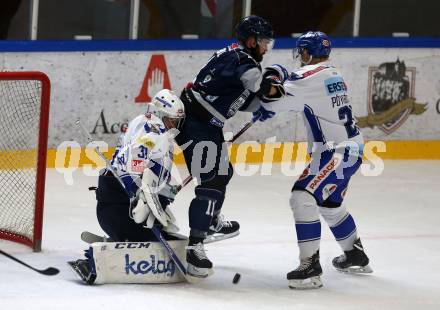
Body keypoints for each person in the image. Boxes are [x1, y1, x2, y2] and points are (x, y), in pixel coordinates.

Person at [253, 31, 372, 289]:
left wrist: (275, 72)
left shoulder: (308, 77)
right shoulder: (332, 74)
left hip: (336, 152)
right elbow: (301, 101)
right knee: (329, 204)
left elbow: (271, 99)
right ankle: (354, 254)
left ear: (306, 52)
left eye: (301, 52)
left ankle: (310, 267)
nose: (300, 57)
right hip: (349, 149)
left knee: (302, 197)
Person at [175, 15, 285, 278]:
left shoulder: (235, 55)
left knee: (223, 173)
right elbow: (259, 85)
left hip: (204, 121)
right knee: (212, 179)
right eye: (263, 42)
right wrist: (272, 88)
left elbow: (234, 94)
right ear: (251, 41)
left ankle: (211, 220)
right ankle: (195, 247)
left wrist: (257, 106)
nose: (266, 47)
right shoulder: (246, 63)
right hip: (196, 123)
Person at [69, 89, 187, 284]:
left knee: (162, 231)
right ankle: (93, 261)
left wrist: (163, 191)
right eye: (172, 120)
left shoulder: (143, 120)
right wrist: (136, 194)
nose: (175, 125)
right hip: (119, 209)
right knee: (153, 242)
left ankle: (121, 237)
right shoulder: (153, 134)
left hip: (114, 203)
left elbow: (140, 169)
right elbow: (133, 165)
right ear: (160, 114)